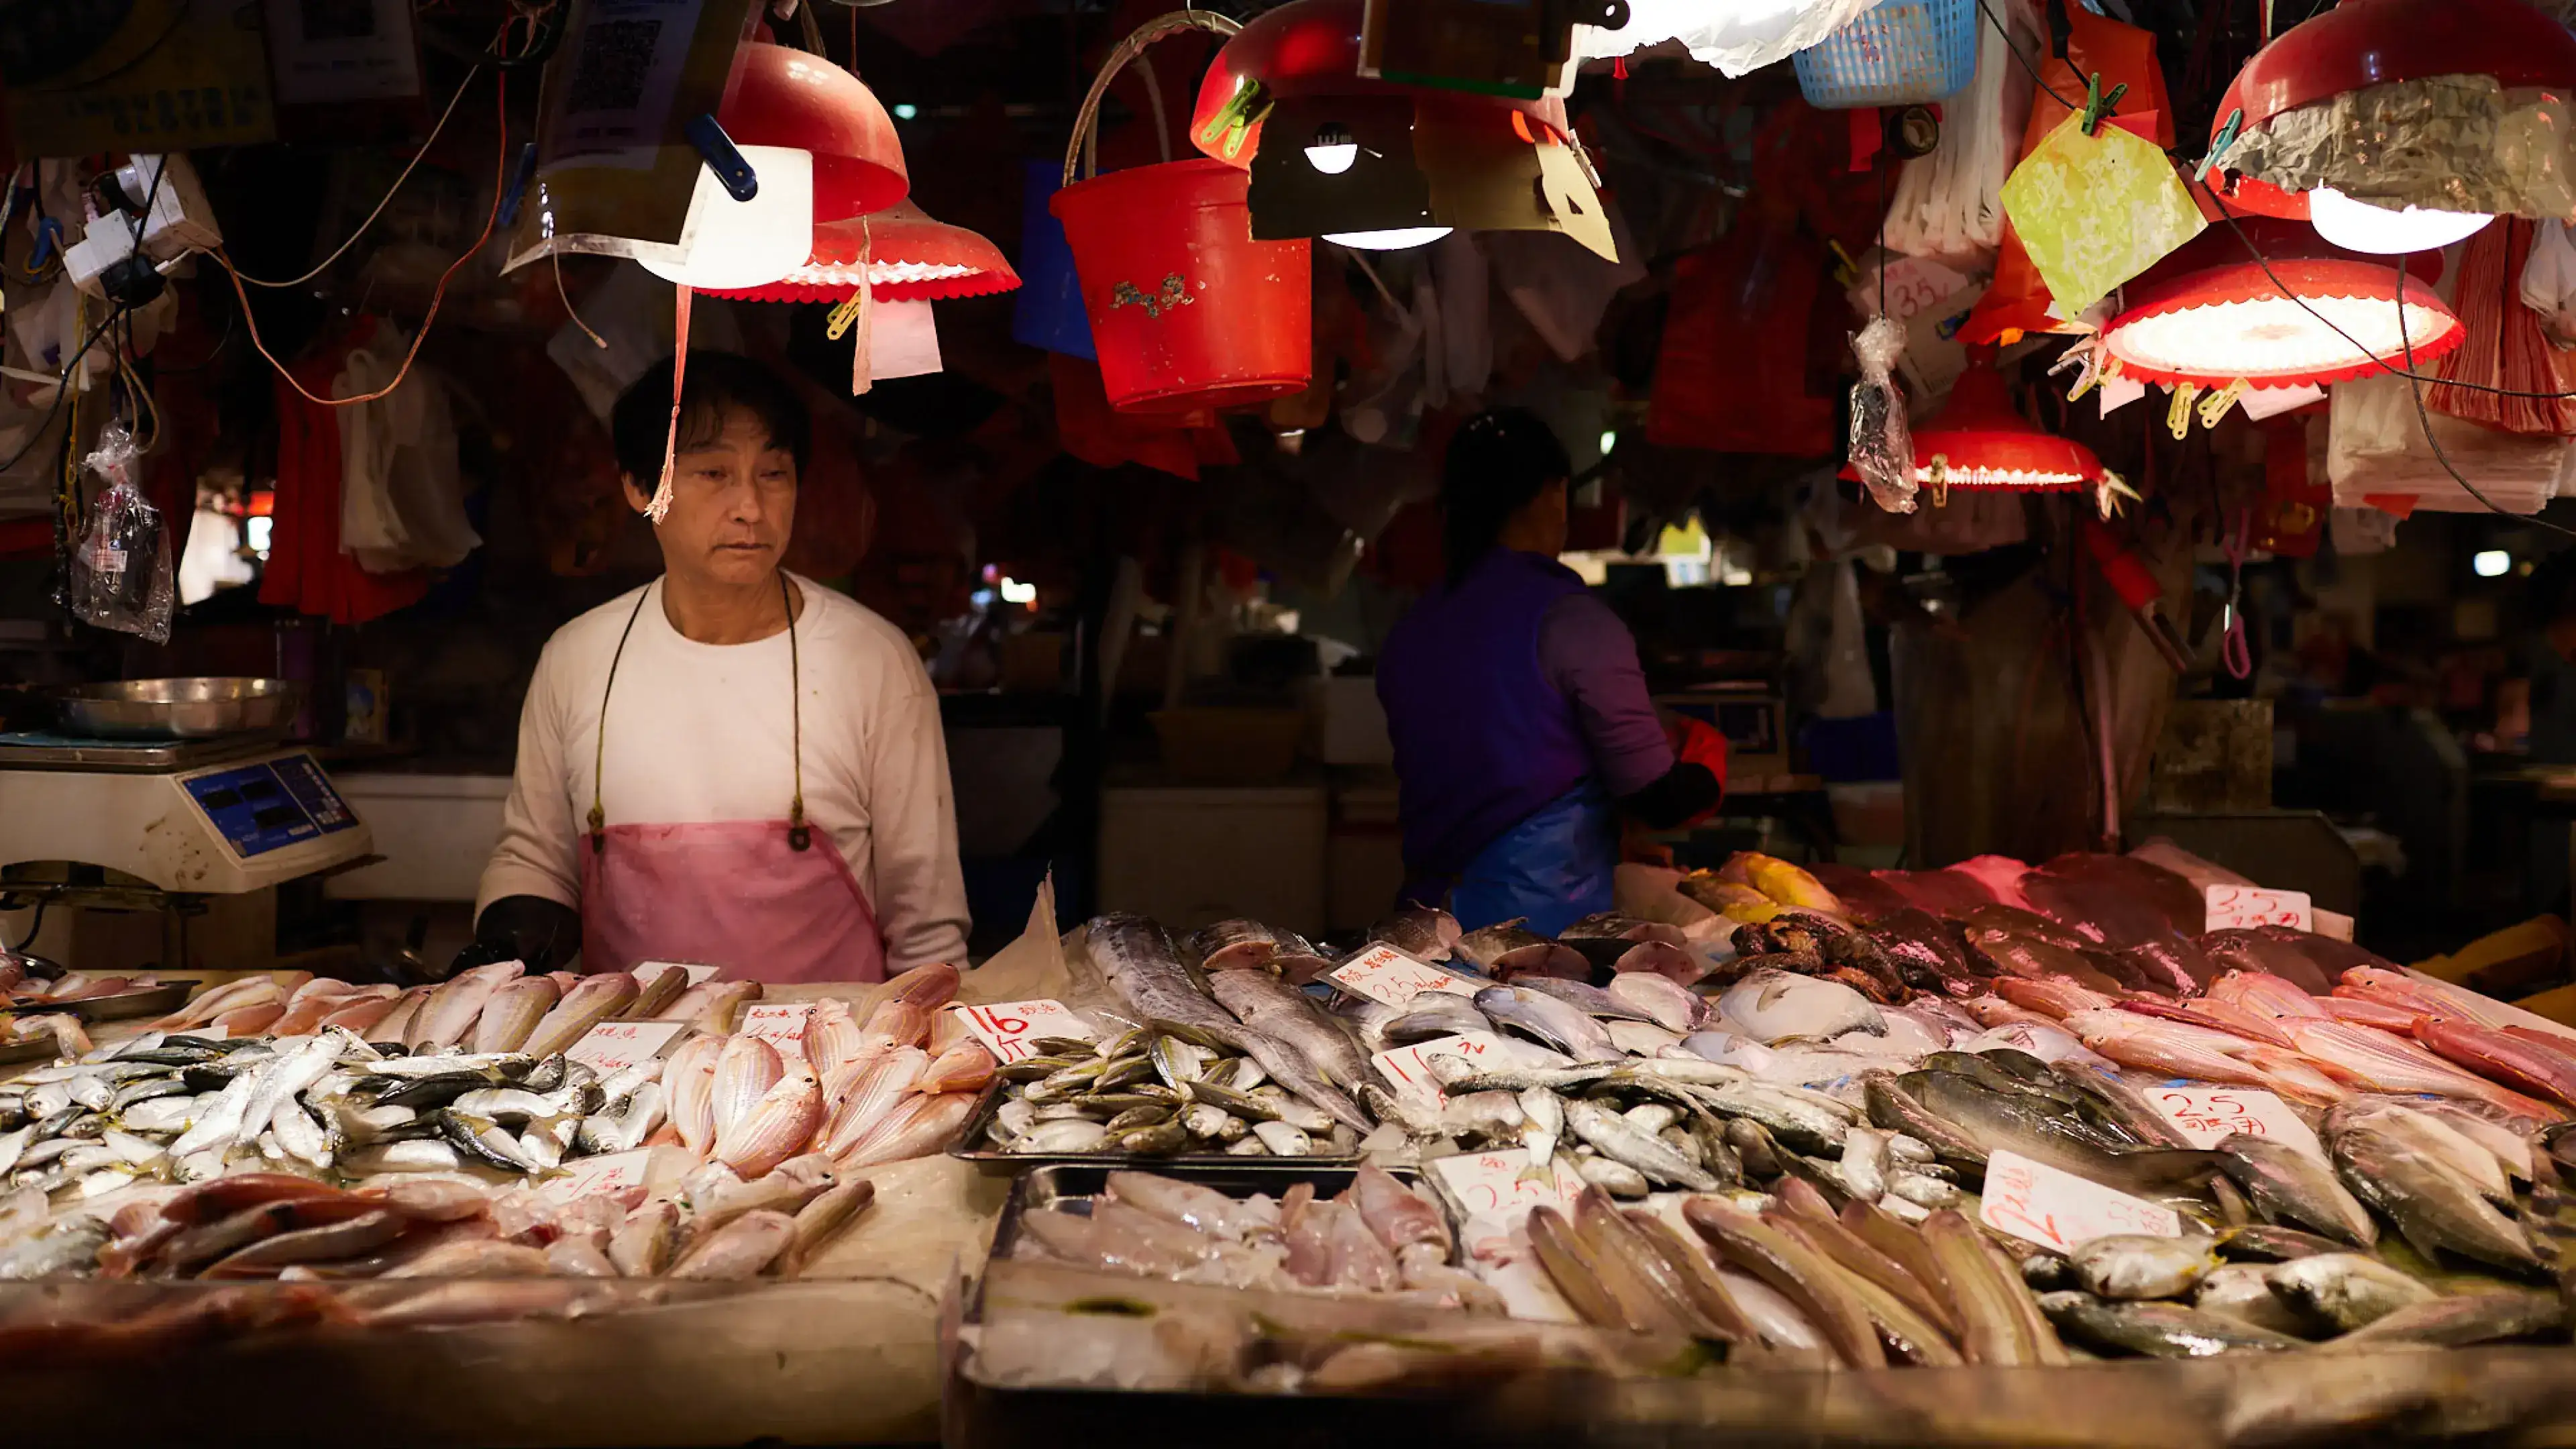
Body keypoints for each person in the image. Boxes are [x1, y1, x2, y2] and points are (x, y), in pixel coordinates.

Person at [464, 352, 969, 982]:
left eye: (774, 474)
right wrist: (514, 935)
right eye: (713, 474)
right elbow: (535, 856)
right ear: (639, 488)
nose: (751, 508)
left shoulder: (873, 660)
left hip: (830, 1062)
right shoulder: (577, 658)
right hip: (627, 1063)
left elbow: (927, 926)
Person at [1377, 408, 1726, 935]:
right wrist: (1709, 763)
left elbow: (1491, 769)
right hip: (1534, 939)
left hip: (1425, 922)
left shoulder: (1413, 626)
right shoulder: (1573, 620)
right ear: (1555, 494)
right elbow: (1659, 796)